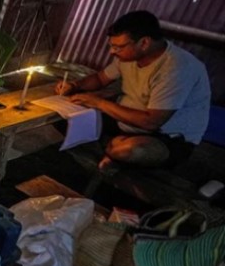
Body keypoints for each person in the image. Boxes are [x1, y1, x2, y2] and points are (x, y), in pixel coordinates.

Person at [56, 10, 210, 172]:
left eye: (118, 47)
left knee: (130, 151)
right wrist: (74, 85)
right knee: (64, 119)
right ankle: (113, 149)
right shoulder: (127, 57)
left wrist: (99, 103)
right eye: (112, 46)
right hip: (124, 122)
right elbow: (101, 79)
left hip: (167, 137)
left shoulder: (177, 68)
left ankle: (114, 152)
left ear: (144, 43)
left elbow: (151, 122)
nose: (112, 52)